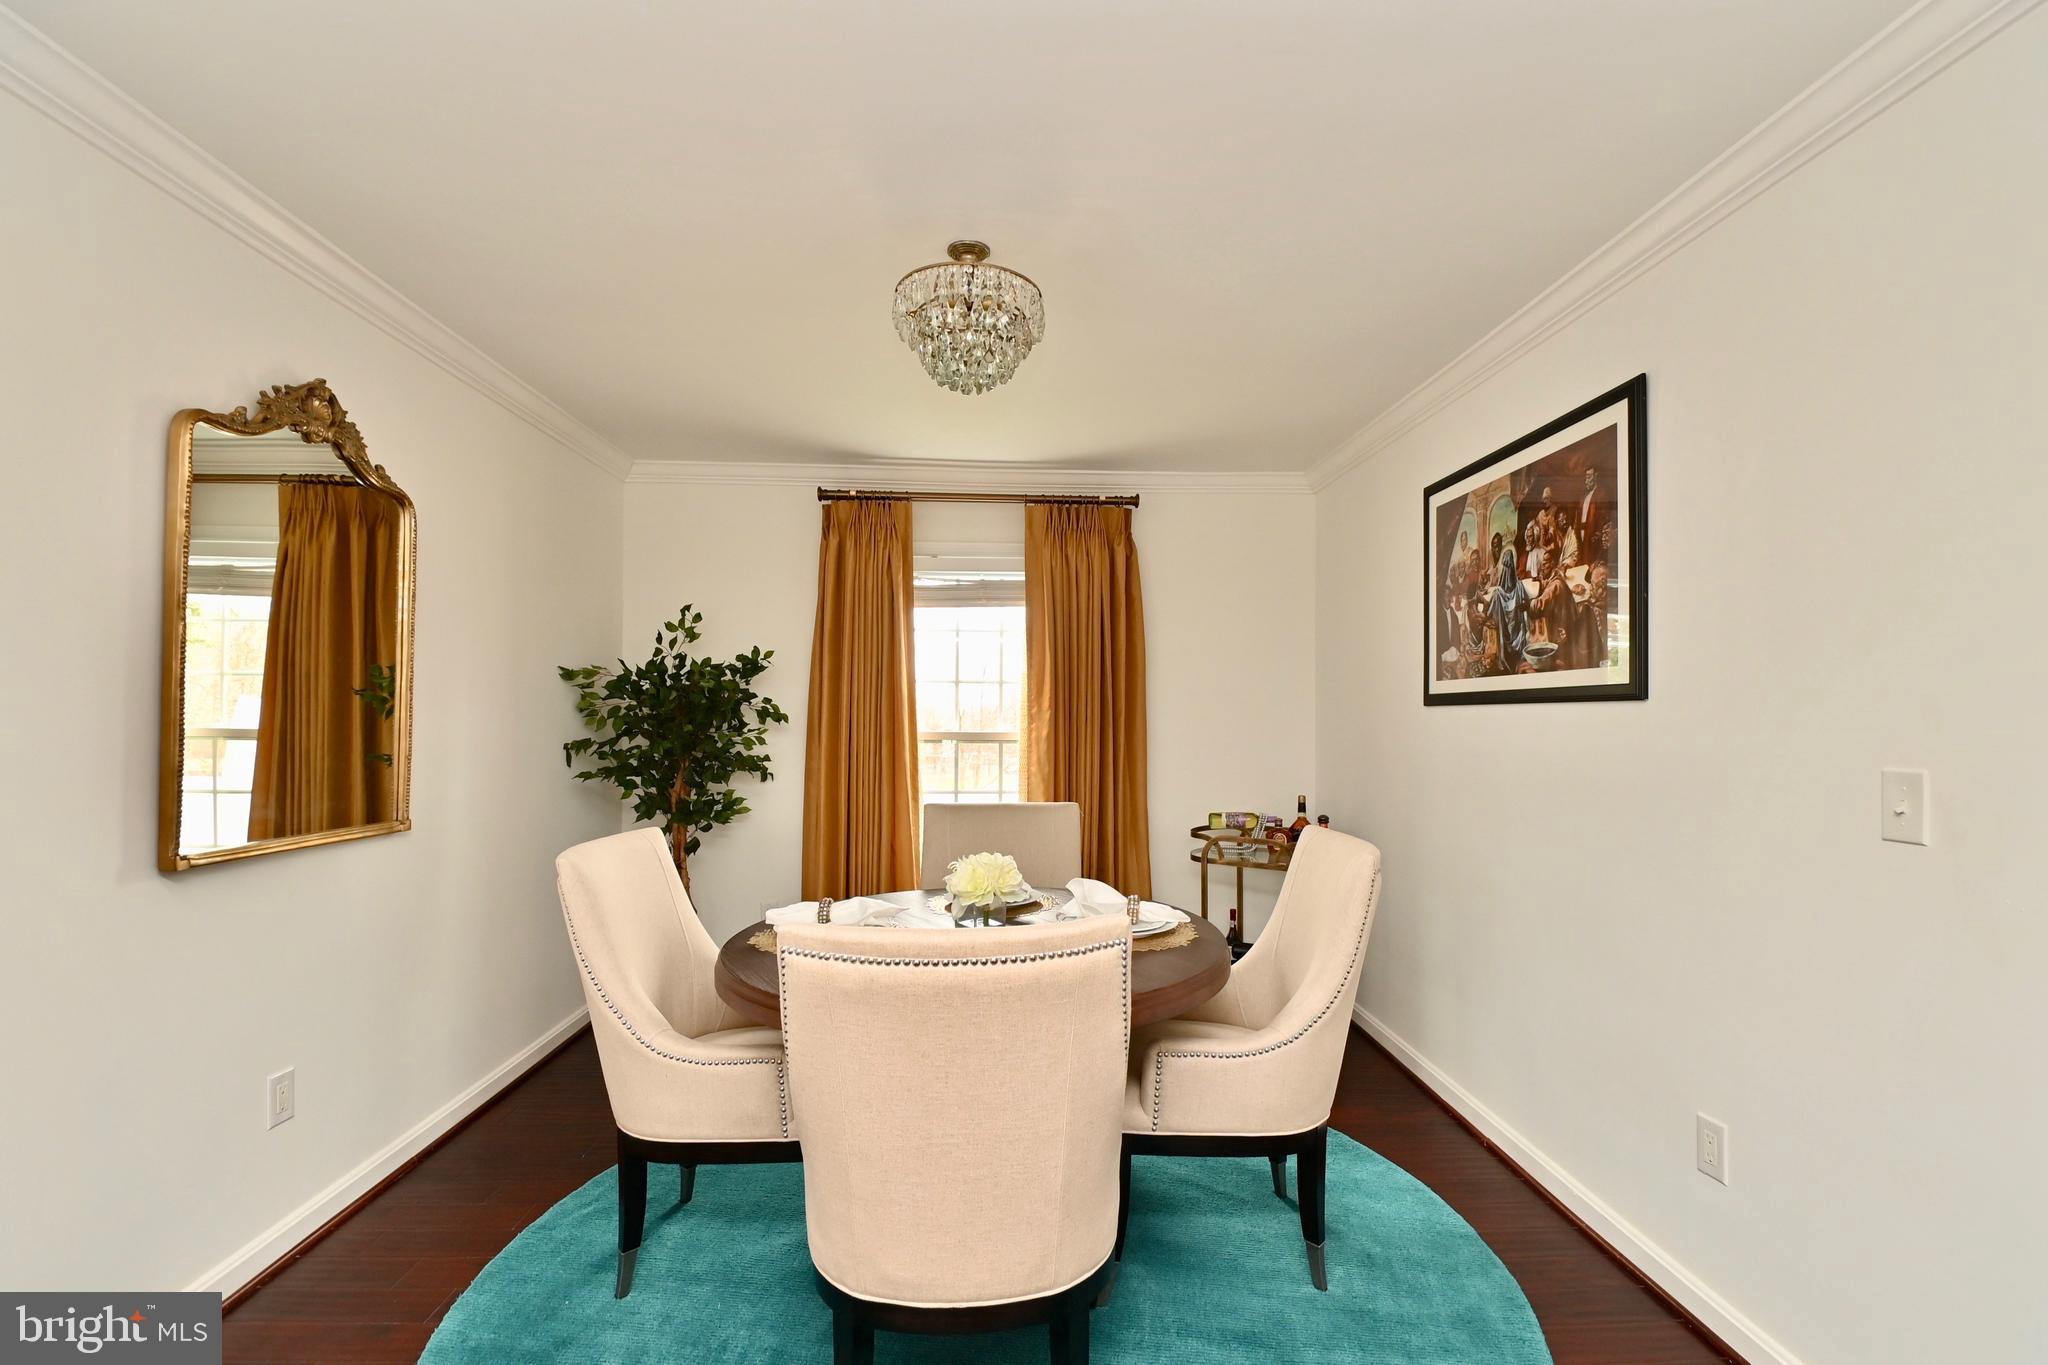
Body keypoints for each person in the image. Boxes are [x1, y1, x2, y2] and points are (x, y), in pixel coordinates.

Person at [1484, 546, 1534, 673]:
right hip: (1506, 639)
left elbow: (1526, 608)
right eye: (1506, 567)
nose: (1507, 570)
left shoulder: (1517, 588)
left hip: (1518, 637)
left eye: (1509, 566)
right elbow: (1489, 617)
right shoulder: (1498, 594)